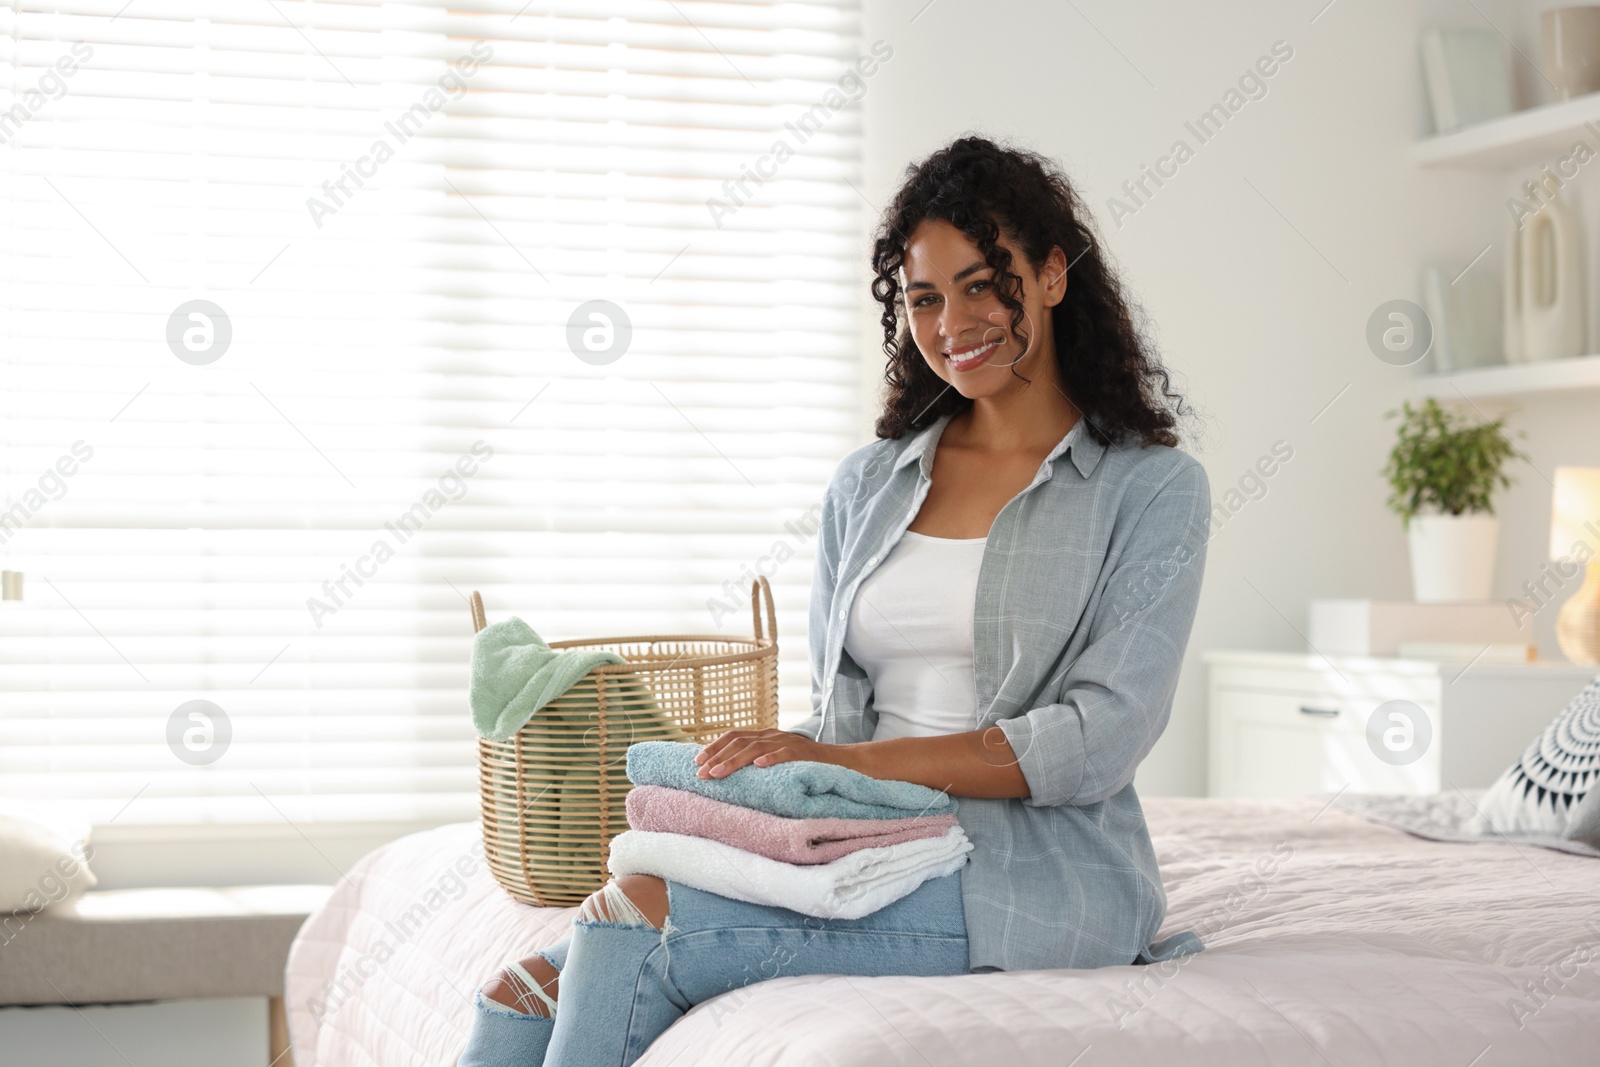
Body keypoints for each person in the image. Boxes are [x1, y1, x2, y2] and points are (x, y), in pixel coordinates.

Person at [459, 133, 1210, 1067]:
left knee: (633, 922)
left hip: (1028, 871)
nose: (951, 322)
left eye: (984, 284)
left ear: (1052, 275)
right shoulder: (871, 483)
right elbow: (842, 697)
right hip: (862, 829)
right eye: (925, 297)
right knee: (518, 996)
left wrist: (847, 758)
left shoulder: (1149, 489)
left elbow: (1099, 738)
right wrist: (803, 773)